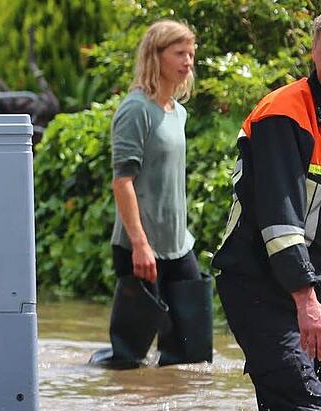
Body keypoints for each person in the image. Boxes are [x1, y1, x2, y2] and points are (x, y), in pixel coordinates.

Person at [211, 5, 321, 411]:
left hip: (305, 289)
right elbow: (278, 218)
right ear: (313, 53)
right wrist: (307, 298)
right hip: (255, 283)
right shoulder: (282, 114)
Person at [89, 20, 213, 369]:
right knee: (128, 359)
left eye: (191, 53)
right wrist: (140, 245)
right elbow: (122, 181)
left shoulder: (179, 112)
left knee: (191, 356)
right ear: (155, 56)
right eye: (179, 53)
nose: (188, 61)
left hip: (178, 245)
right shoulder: (134, 110)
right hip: (138, 248)